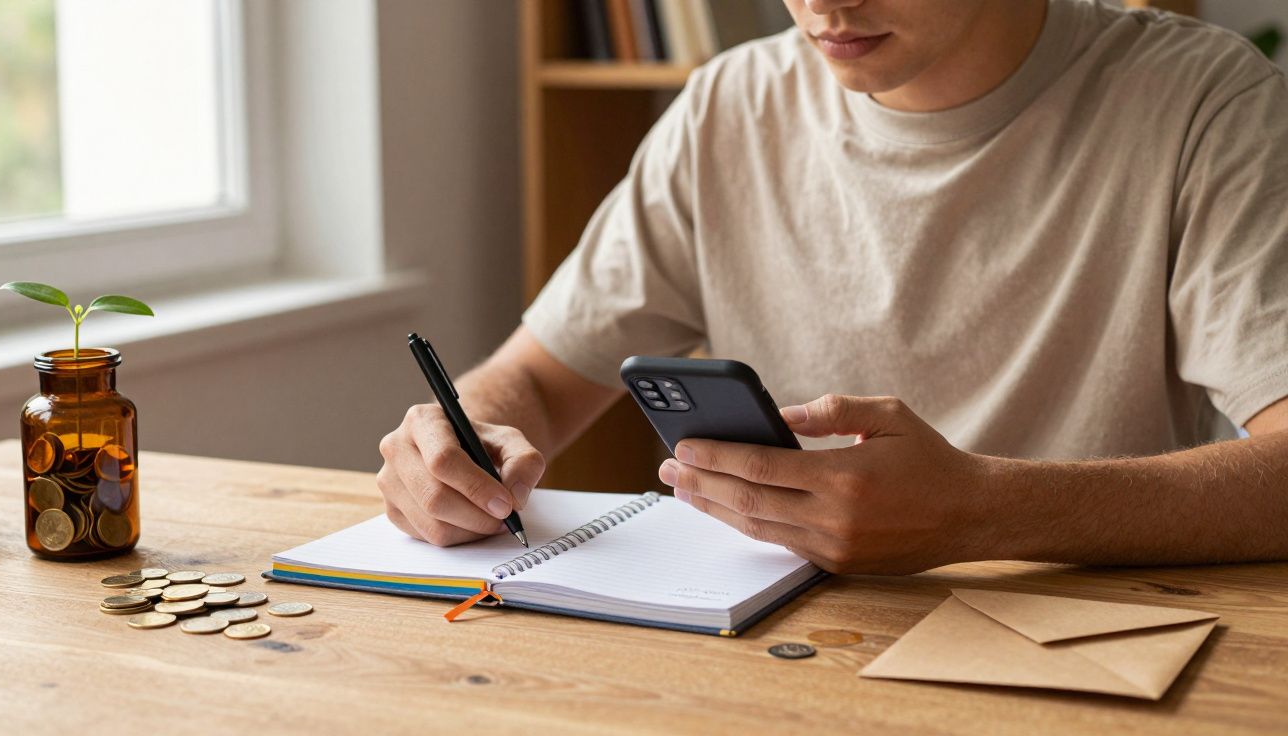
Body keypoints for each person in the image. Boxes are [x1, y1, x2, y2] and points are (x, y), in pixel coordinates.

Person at [378, 0, 1288, 574]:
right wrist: (463, 442)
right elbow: (536, 381)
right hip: (783, 649)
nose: (821, 4)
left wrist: (981, 510)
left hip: (1088, 653)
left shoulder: (1202, 102)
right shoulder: (728, 105)